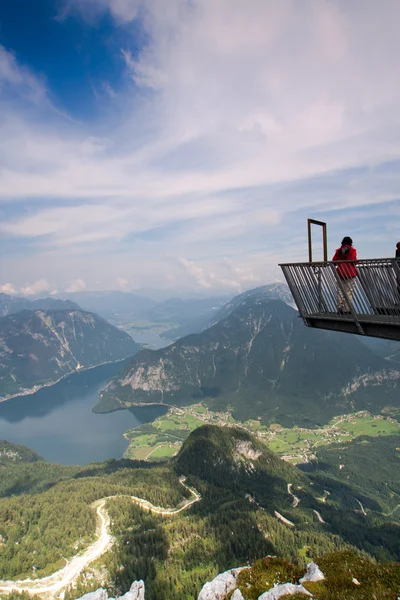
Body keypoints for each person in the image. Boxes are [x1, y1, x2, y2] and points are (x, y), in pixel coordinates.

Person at [332, 237, 357, 314]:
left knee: (340, 291)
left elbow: (334, 261)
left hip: (340, 273)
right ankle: (347, 309)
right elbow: (354, 261)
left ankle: (339, 308)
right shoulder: (352, 251)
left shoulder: (338, 251)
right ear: (350, 243)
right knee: (348, 291)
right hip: (350, 273)